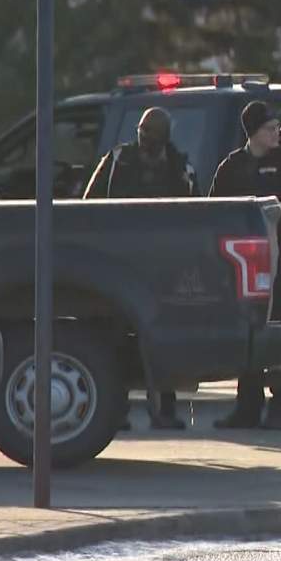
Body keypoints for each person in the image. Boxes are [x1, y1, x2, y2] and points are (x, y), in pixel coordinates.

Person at [84, 107, 197, 429]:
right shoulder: (119, 161)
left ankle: (164, 409)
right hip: (118, 263)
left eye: (152, 132)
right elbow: (89, 204)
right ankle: (115, 410)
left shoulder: (179, 167)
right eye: (142, 131)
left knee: (162, 337)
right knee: (114, 337)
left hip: (162, 265)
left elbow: (195, 210)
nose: (145, 137)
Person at [209, 101, 281, 430]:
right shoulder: (232, 168)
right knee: (248, 332)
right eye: (269, 129)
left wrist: (279, 223)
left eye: (277, 128)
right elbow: (216, 212)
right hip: (241, 267)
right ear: (252, 132)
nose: (276, 134)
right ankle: (247, 407)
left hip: (277, 260)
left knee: (277, 330)